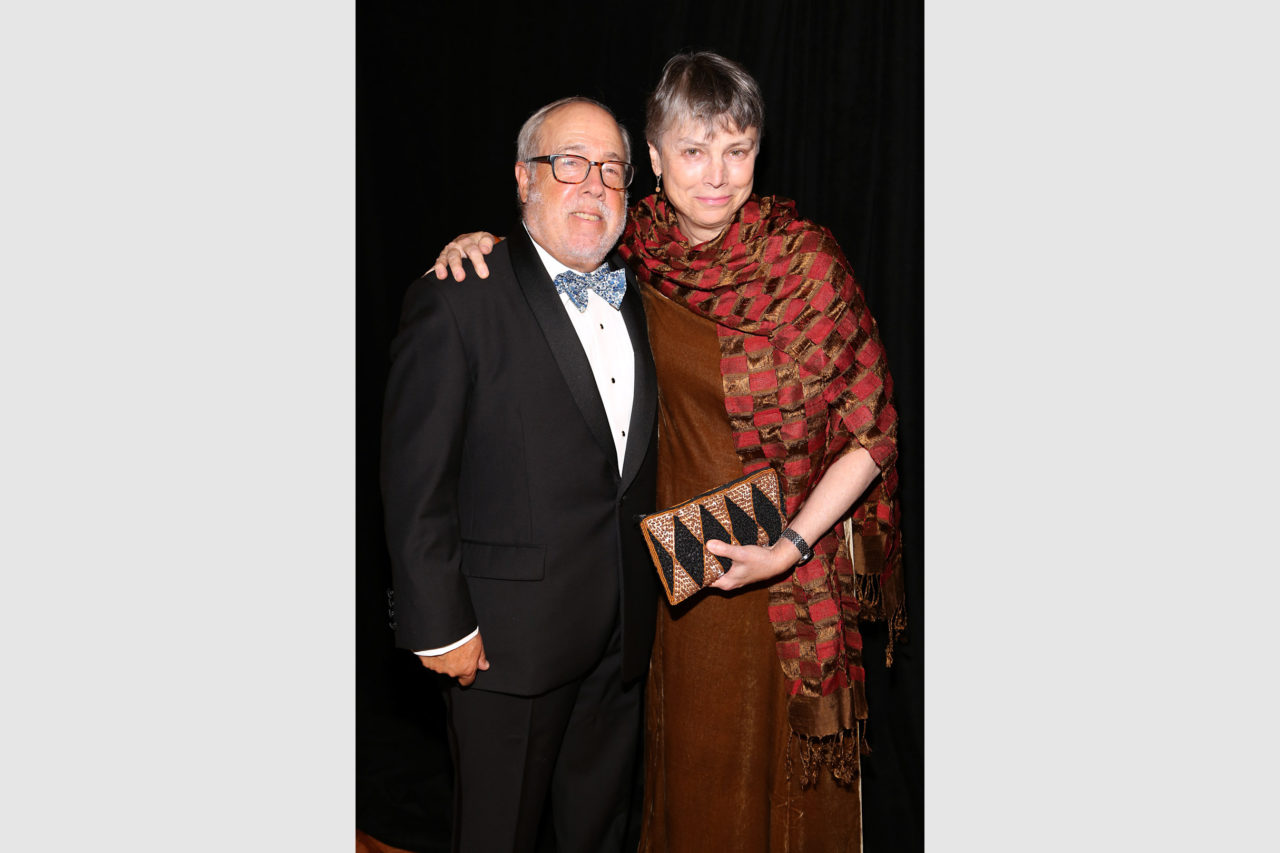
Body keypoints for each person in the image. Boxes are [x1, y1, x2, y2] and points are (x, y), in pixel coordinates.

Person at [431, 52, 904, 852]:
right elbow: (541, 262)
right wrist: (477, 245)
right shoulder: (630, 249)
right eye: (693, 150)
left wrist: (788, 548)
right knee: (675, 788)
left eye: (737, 149)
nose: (716, 175)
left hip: (778, 590)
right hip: (669, 586)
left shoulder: (807, 264)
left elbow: (873, 431)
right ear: (653, 159)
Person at [381, 96, 660, 852]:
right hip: (503, 648)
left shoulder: (642, 298)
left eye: (611, 170)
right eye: (569, 162)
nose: (593, 185)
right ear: (522, 177)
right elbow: (415, 482)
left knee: (599, 836)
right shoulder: (459, 295)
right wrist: (439, 623)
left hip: (620, 643)